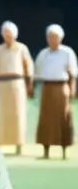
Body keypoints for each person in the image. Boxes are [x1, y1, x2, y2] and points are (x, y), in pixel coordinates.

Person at [0, 20, 34, 155]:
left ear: (15, 35)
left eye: (10, 34)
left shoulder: (22, 48)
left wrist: (30, 84)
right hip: (2, 83)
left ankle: (19, 144)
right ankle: (1, 143)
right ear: (2, 35)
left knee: (19, 114)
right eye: (6, 34)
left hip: (18, 83)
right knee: (2, 114)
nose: (8, 37)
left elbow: (28, 66)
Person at [34, 24, 77, 159]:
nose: (52, 39)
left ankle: (64, 151)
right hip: (47, 88)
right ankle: (46, 150)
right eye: (50, 37)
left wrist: (72, 88)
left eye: (55, 37)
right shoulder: (43, 54)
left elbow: (73, 73)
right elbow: (37, 72)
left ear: (60, 38)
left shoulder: (67, 52)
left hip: (62, 87)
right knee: (46, 119)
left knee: (63, 117)